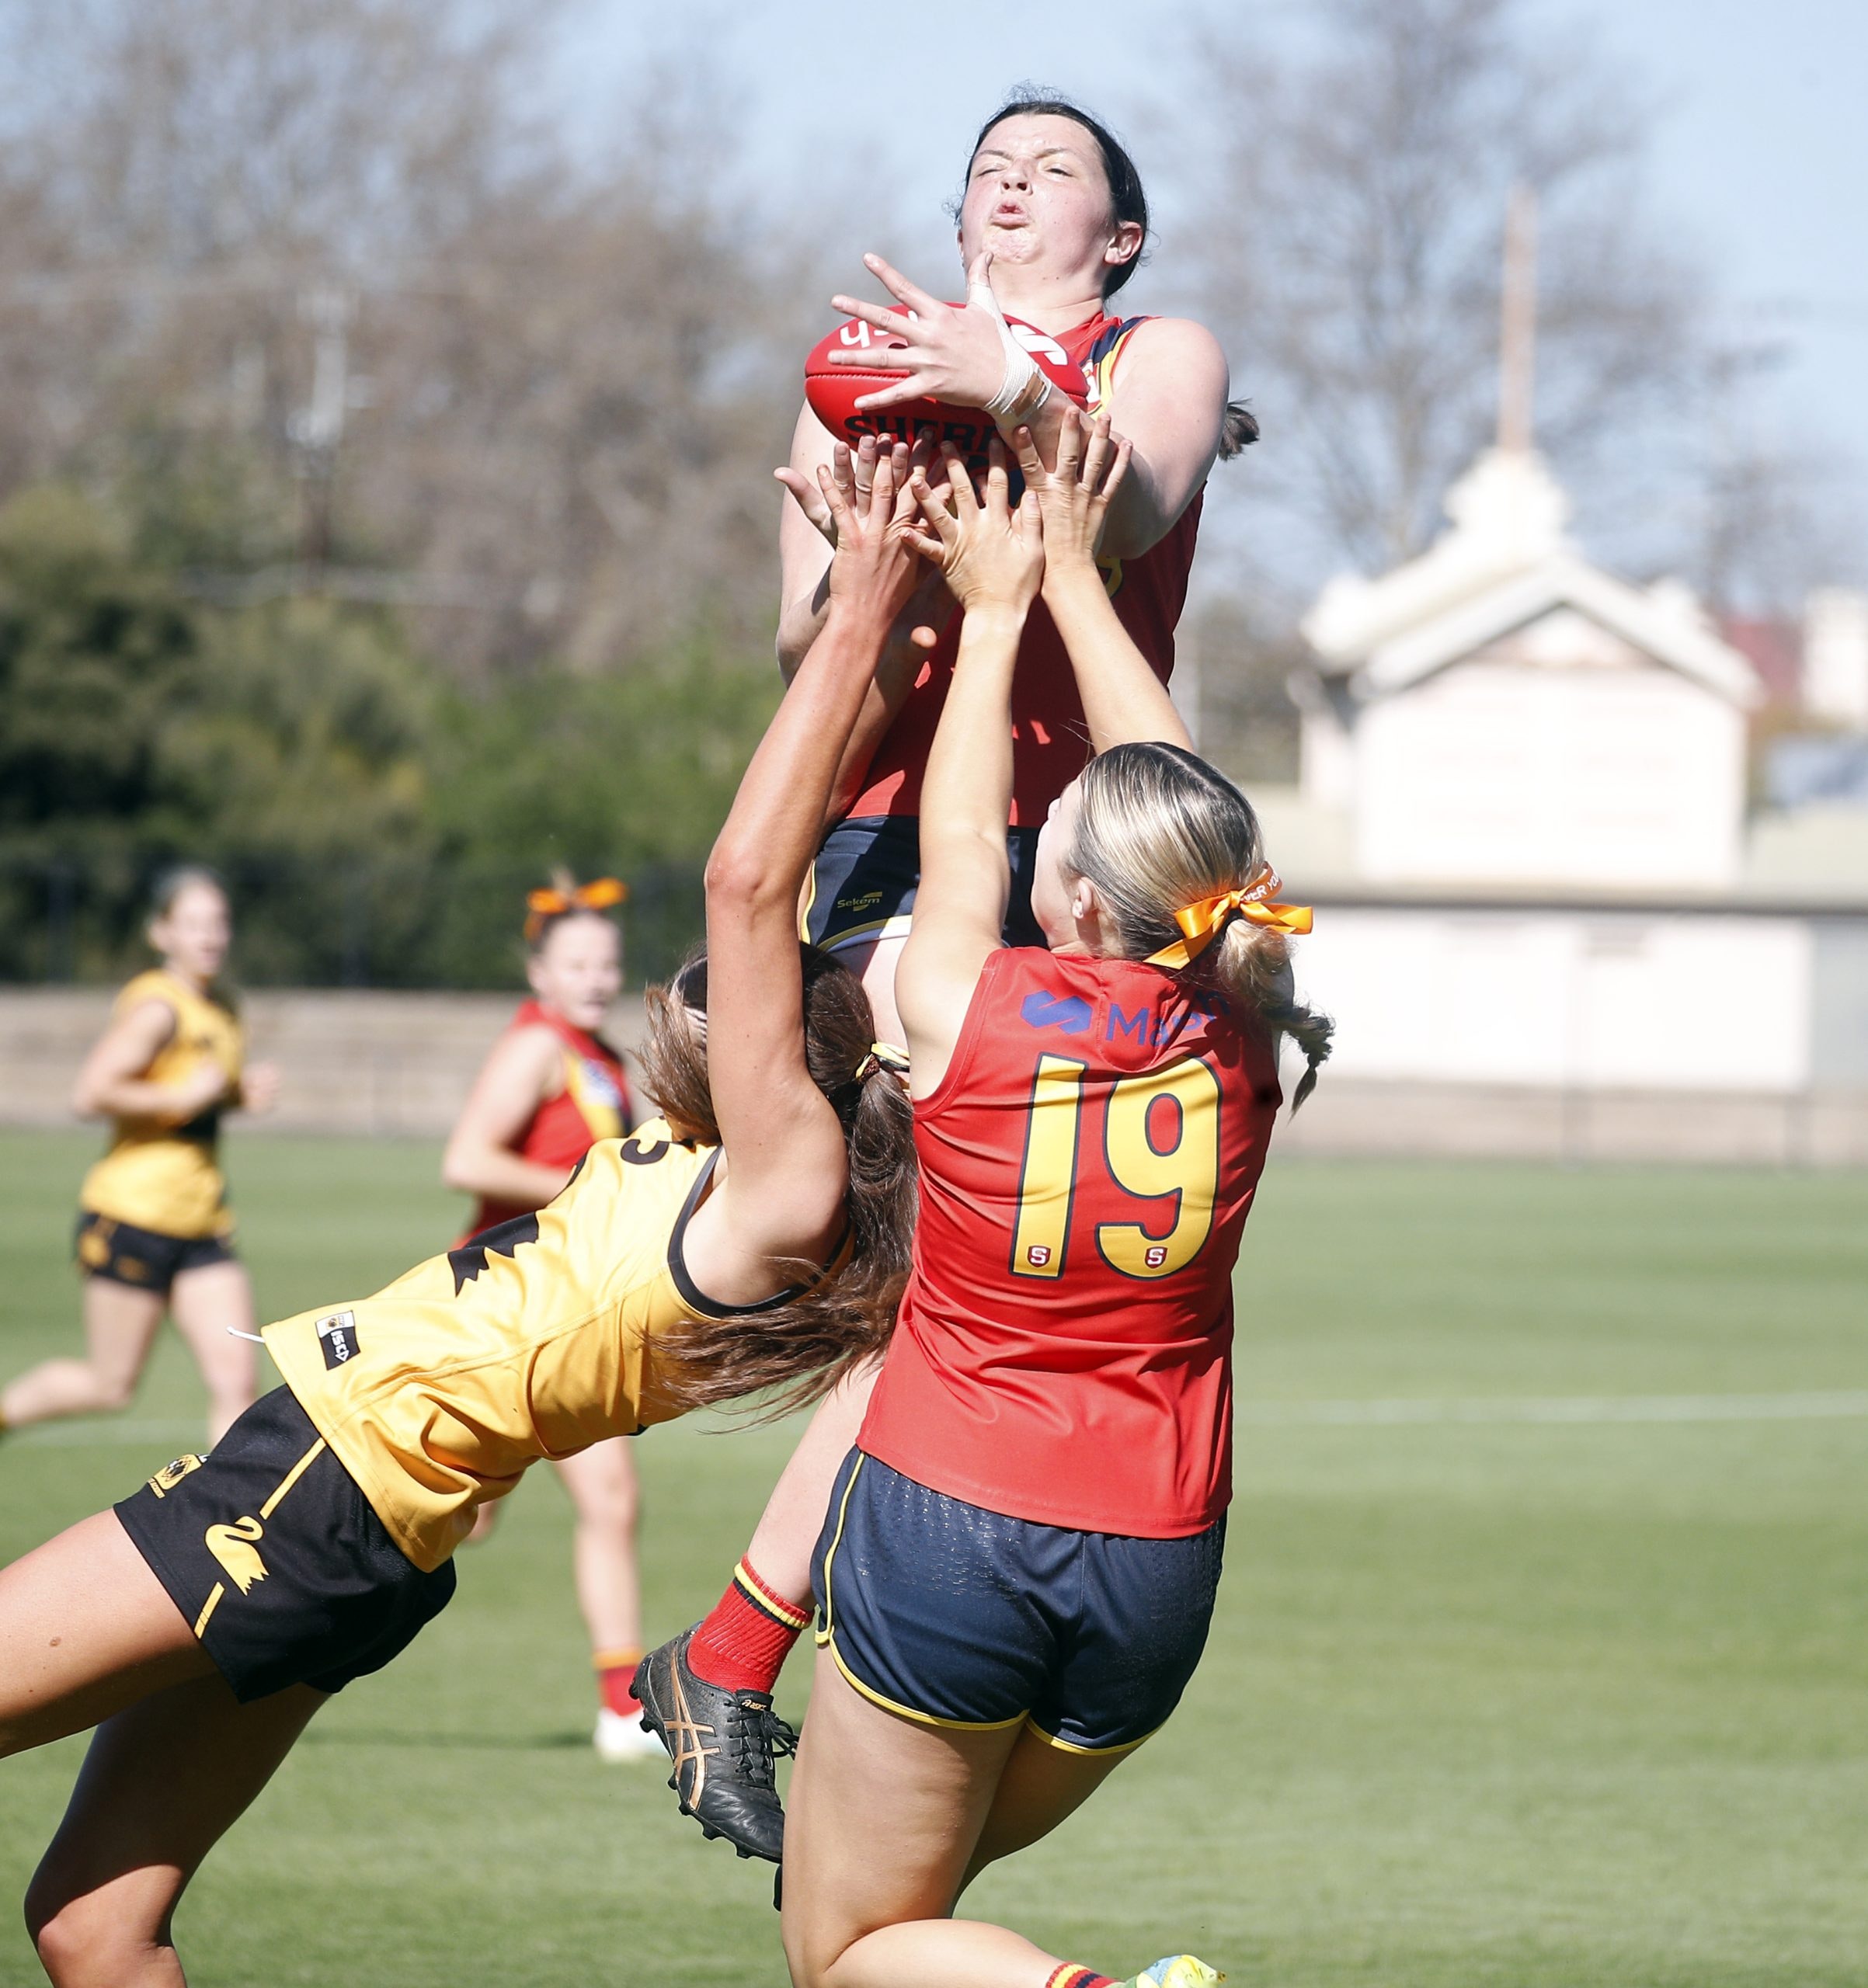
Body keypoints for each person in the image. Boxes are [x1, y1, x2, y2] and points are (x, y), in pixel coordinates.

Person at [0, 454, 928, 1988]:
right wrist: (862, 632)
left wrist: (879, 596)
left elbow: (750, 870)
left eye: (718, 990)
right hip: (366, 1521)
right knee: (96, 1931)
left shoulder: (779, 1181)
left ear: (780, 1064)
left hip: (318, 1478)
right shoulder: (728, 1161)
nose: (681, 983)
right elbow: (813, 833)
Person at [777, 428, 1331, 1988]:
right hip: (1155, 1553)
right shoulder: (1240, 1022)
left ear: (1074, 897)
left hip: (951, 1525)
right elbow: (1194, 822)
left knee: (848, 1940)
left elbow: (956, 835)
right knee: (925, 1904)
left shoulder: (966, 1001)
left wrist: (997, 608)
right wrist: (1085, 582)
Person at [778, 92, 1254, 1051]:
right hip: (897, 804)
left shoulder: (1156, 353)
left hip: (1096, 817)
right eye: (992, 165)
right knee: (891, 1097)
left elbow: (1125, 517)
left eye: (1053, 167)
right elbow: (801, 650)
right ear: (960, 220)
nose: (1014, 178)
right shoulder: (858, 379)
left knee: (1073, 1123)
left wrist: (1005, 386)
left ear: (1121, 238)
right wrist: (866, 569)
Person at [440, 872, 661, 1760]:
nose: (595, 976)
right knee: (469, 1514)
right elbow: (468, 1157)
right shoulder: (537, 1047)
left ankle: (620, 1708)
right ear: (539, 972)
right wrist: (587, 1190)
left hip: (570, 1311)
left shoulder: (599, 1053)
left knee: (591, 1500)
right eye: (576, 962)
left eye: (605, 961)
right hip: (509, 1305)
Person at [0, 867, 279, 1449]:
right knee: (109, 1385)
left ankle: (225, 1525)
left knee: (236, 1377)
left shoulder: (222, 1005)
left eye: (219, 922)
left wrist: (233, 1095)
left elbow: (198, 1095)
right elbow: (91, 1093)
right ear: (162, 933)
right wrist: (181, 1097)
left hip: (203, 1221)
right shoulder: (160, 1008)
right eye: (194, 923)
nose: (211, 936)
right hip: (133, 1216)